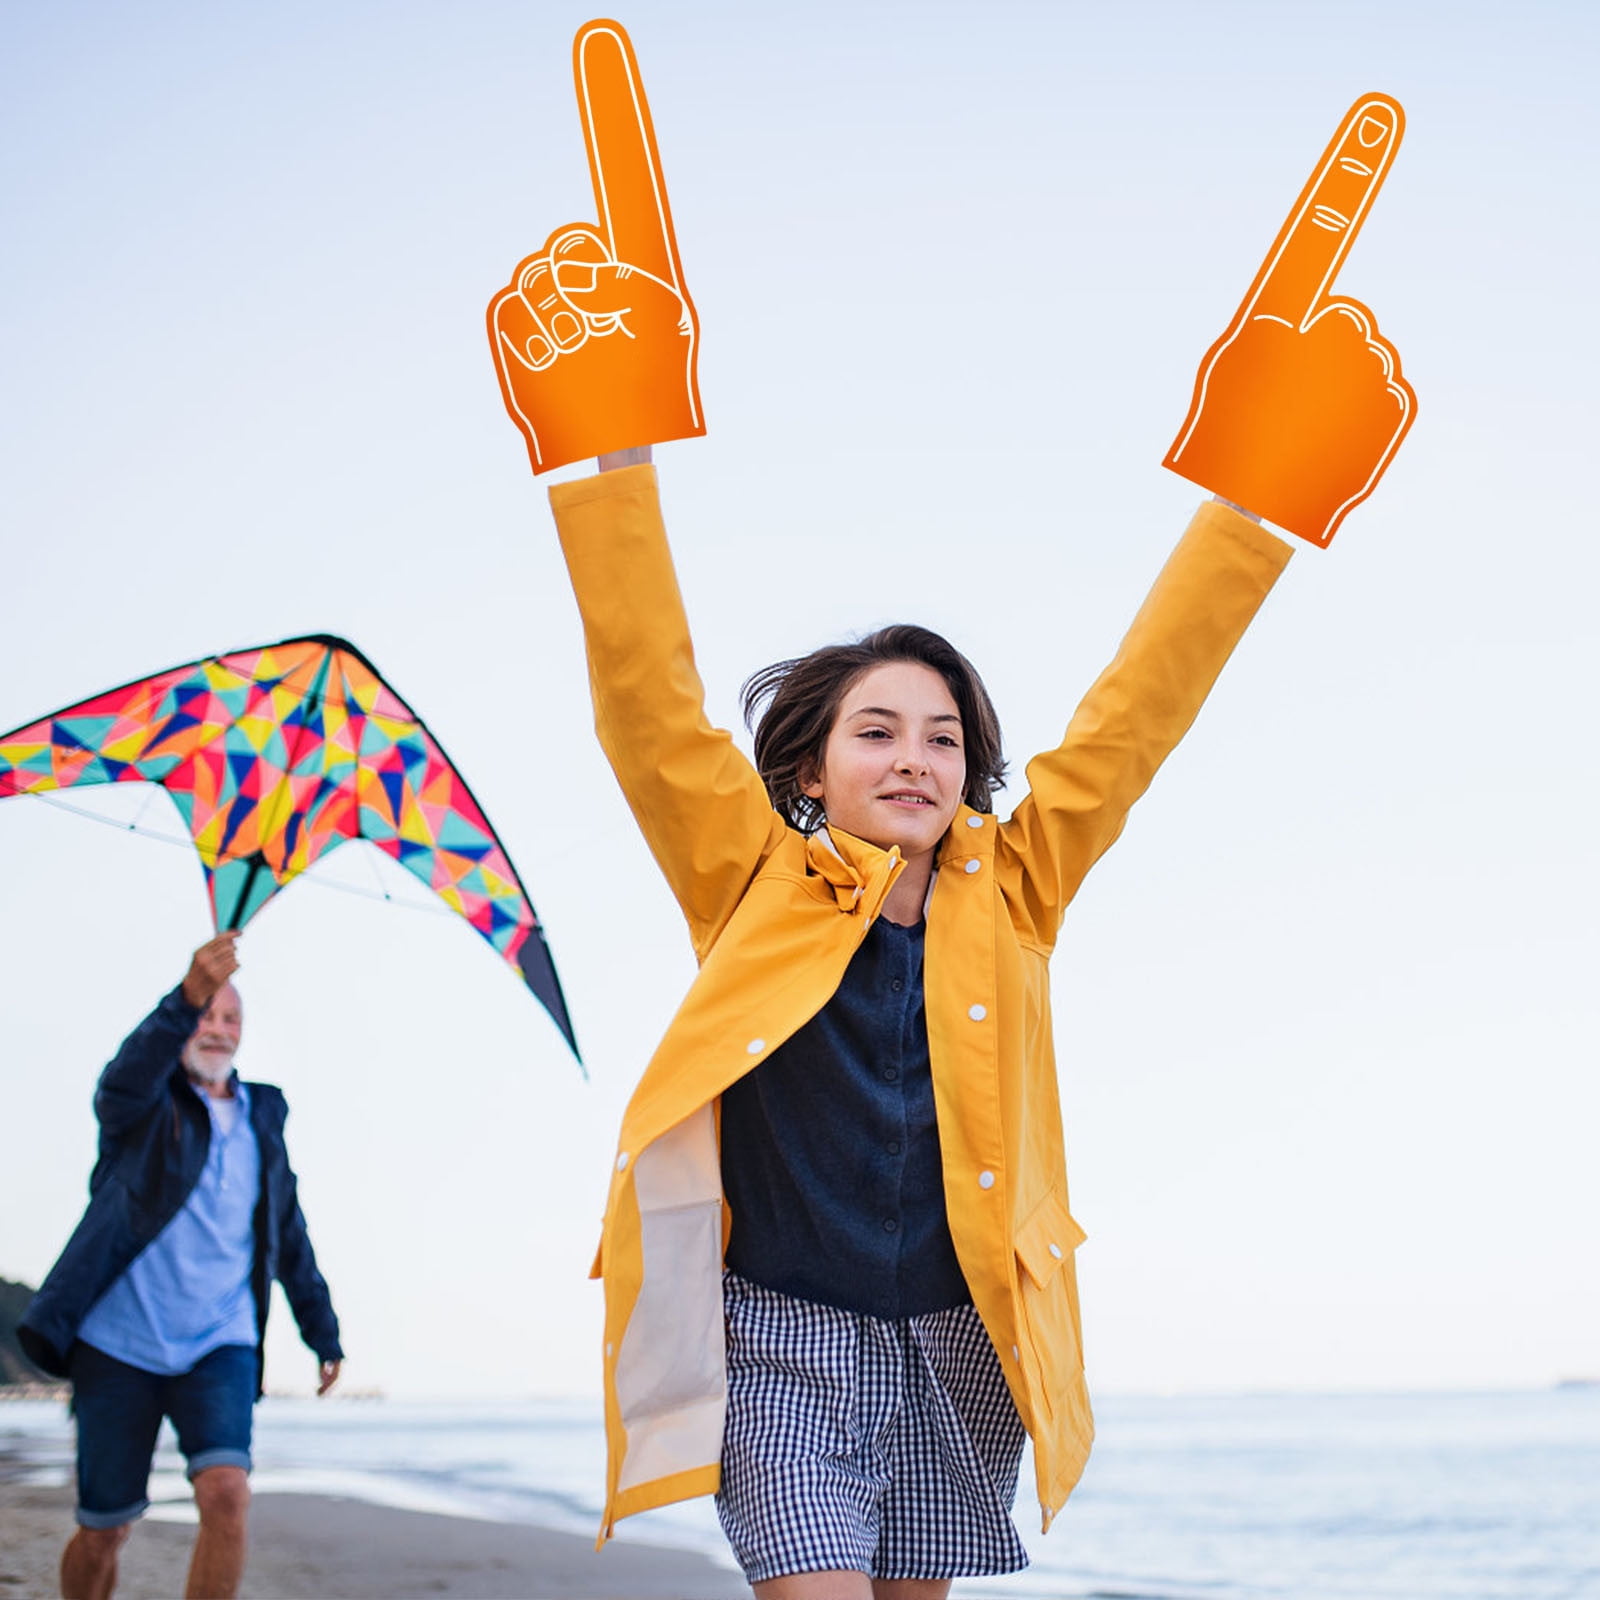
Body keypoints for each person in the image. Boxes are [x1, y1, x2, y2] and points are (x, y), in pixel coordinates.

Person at [544, 445, 1292, 1599]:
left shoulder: (1018, 891)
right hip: (780, 1348)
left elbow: (1134, 718)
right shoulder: (750, 879)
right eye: (877, 731)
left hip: (957, 1348)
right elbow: (648, 713)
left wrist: (1253, 509)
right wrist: (618, 461)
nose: (915, 758)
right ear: (810, 768)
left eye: (942, 737)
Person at [19, 932, 344, 1600]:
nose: (217, 1029)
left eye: (231, 1018)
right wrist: (185, 995)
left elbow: (287, 1233)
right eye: (206, 1015)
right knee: (105, 1528)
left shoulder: (262, 1121)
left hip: (218, 1342)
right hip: (118, 1342)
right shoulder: (142, 1108)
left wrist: (323, 1331)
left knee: (227, 1494)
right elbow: (121, 1079)